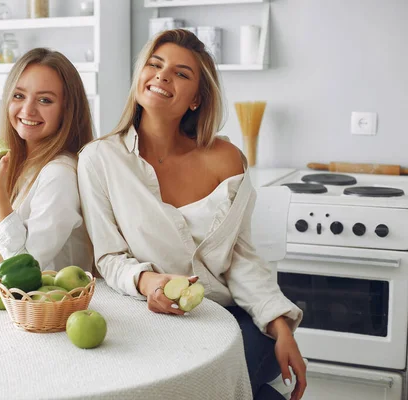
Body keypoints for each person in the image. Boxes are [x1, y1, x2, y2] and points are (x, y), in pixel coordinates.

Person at [77, 30, 306, 400]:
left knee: (210, 381)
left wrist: (280, 326)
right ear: (140, 75)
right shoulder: (99, 159)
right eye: (154, 64)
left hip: (233, 317)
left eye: (181, 73)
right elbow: (109, 257)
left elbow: (240, 257)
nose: (162, 76)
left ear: (197, 98)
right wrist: (147, 283)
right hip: (155, 320)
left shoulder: (226, 158)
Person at [0, 48, 94, 279]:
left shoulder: (60, 174)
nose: (27, 110)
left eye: (45, 100)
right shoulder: (21, 166)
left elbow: (25, 271)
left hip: (45, 311)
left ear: (67, 110)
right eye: (18, 96)